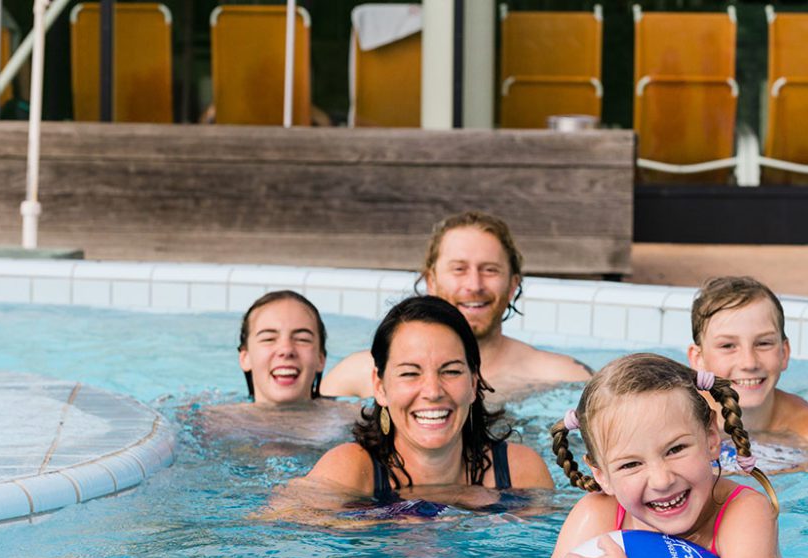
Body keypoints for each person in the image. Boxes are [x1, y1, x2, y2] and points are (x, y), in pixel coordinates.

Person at [523, 353, 784, 558]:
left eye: (676, 449)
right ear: (602, 475)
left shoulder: (743, 513)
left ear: (711, 438)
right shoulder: (597, 515)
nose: (662, 480)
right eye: (631, 464)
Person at [294, 295, 555, 514]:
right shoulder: (349, 470)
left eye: (451, 371)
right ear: (380, 387)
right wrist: (390, 519)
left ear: (474, 382)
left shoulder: (520, 472)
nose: (432, 391)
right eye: (410, 373)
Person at [320, 211, 591, 402]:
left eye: (490, 270)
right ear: (431, 281)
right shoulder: (357, 377)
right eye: (459, 269)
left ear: (512, 285)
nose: (474, 285)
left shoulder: (564, 377)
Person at [195, 290, 357, 449]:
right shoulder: (208, 423)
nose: (286, 350)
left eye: (302, 339)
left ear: (320, 359)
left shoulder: (352, 421)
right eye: (268, 339)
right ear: (246, 358)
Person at [688, 276, 808, 449]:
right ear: (698, 360)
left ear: (784, 353)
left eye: (763, 343)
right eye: (728, 346)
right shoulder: (680, 420)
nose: (749, 363)